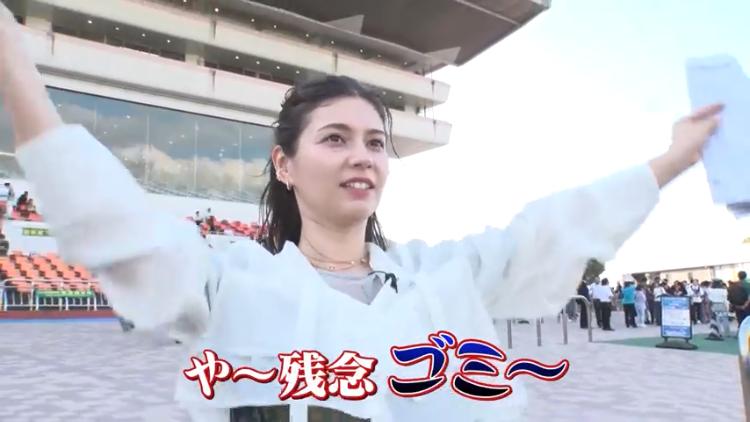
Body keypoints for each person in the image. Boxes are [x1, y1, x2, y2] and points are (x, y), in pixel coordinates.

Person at [0, 4, 723, 420]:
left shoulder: (441, 278)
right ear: (285, 165)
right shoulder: (230, 281)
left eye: (376, 142)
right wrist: (15, 70)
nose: (363, 157)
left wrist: (672, 159)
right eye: (335, 139)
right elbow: (121, 228)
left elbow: (547, 233)